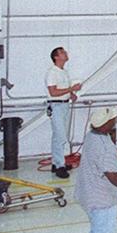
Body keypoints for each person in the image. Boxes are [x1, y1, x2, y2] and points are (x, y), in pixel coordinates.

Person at [45, 46, 82, 179]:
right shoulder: (52, 72)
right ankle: (59, 166)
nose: (65, 53)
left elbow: (62, 88)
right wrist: (71, 88)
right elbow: (53, 92)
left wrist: (71, 94)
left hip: (64, 106)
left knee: (59, 137)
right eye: (62, 52)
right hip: (56, 107)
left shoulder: (63, 72)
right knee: (60, 137)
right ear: (56, 57)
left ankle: (57, 163)